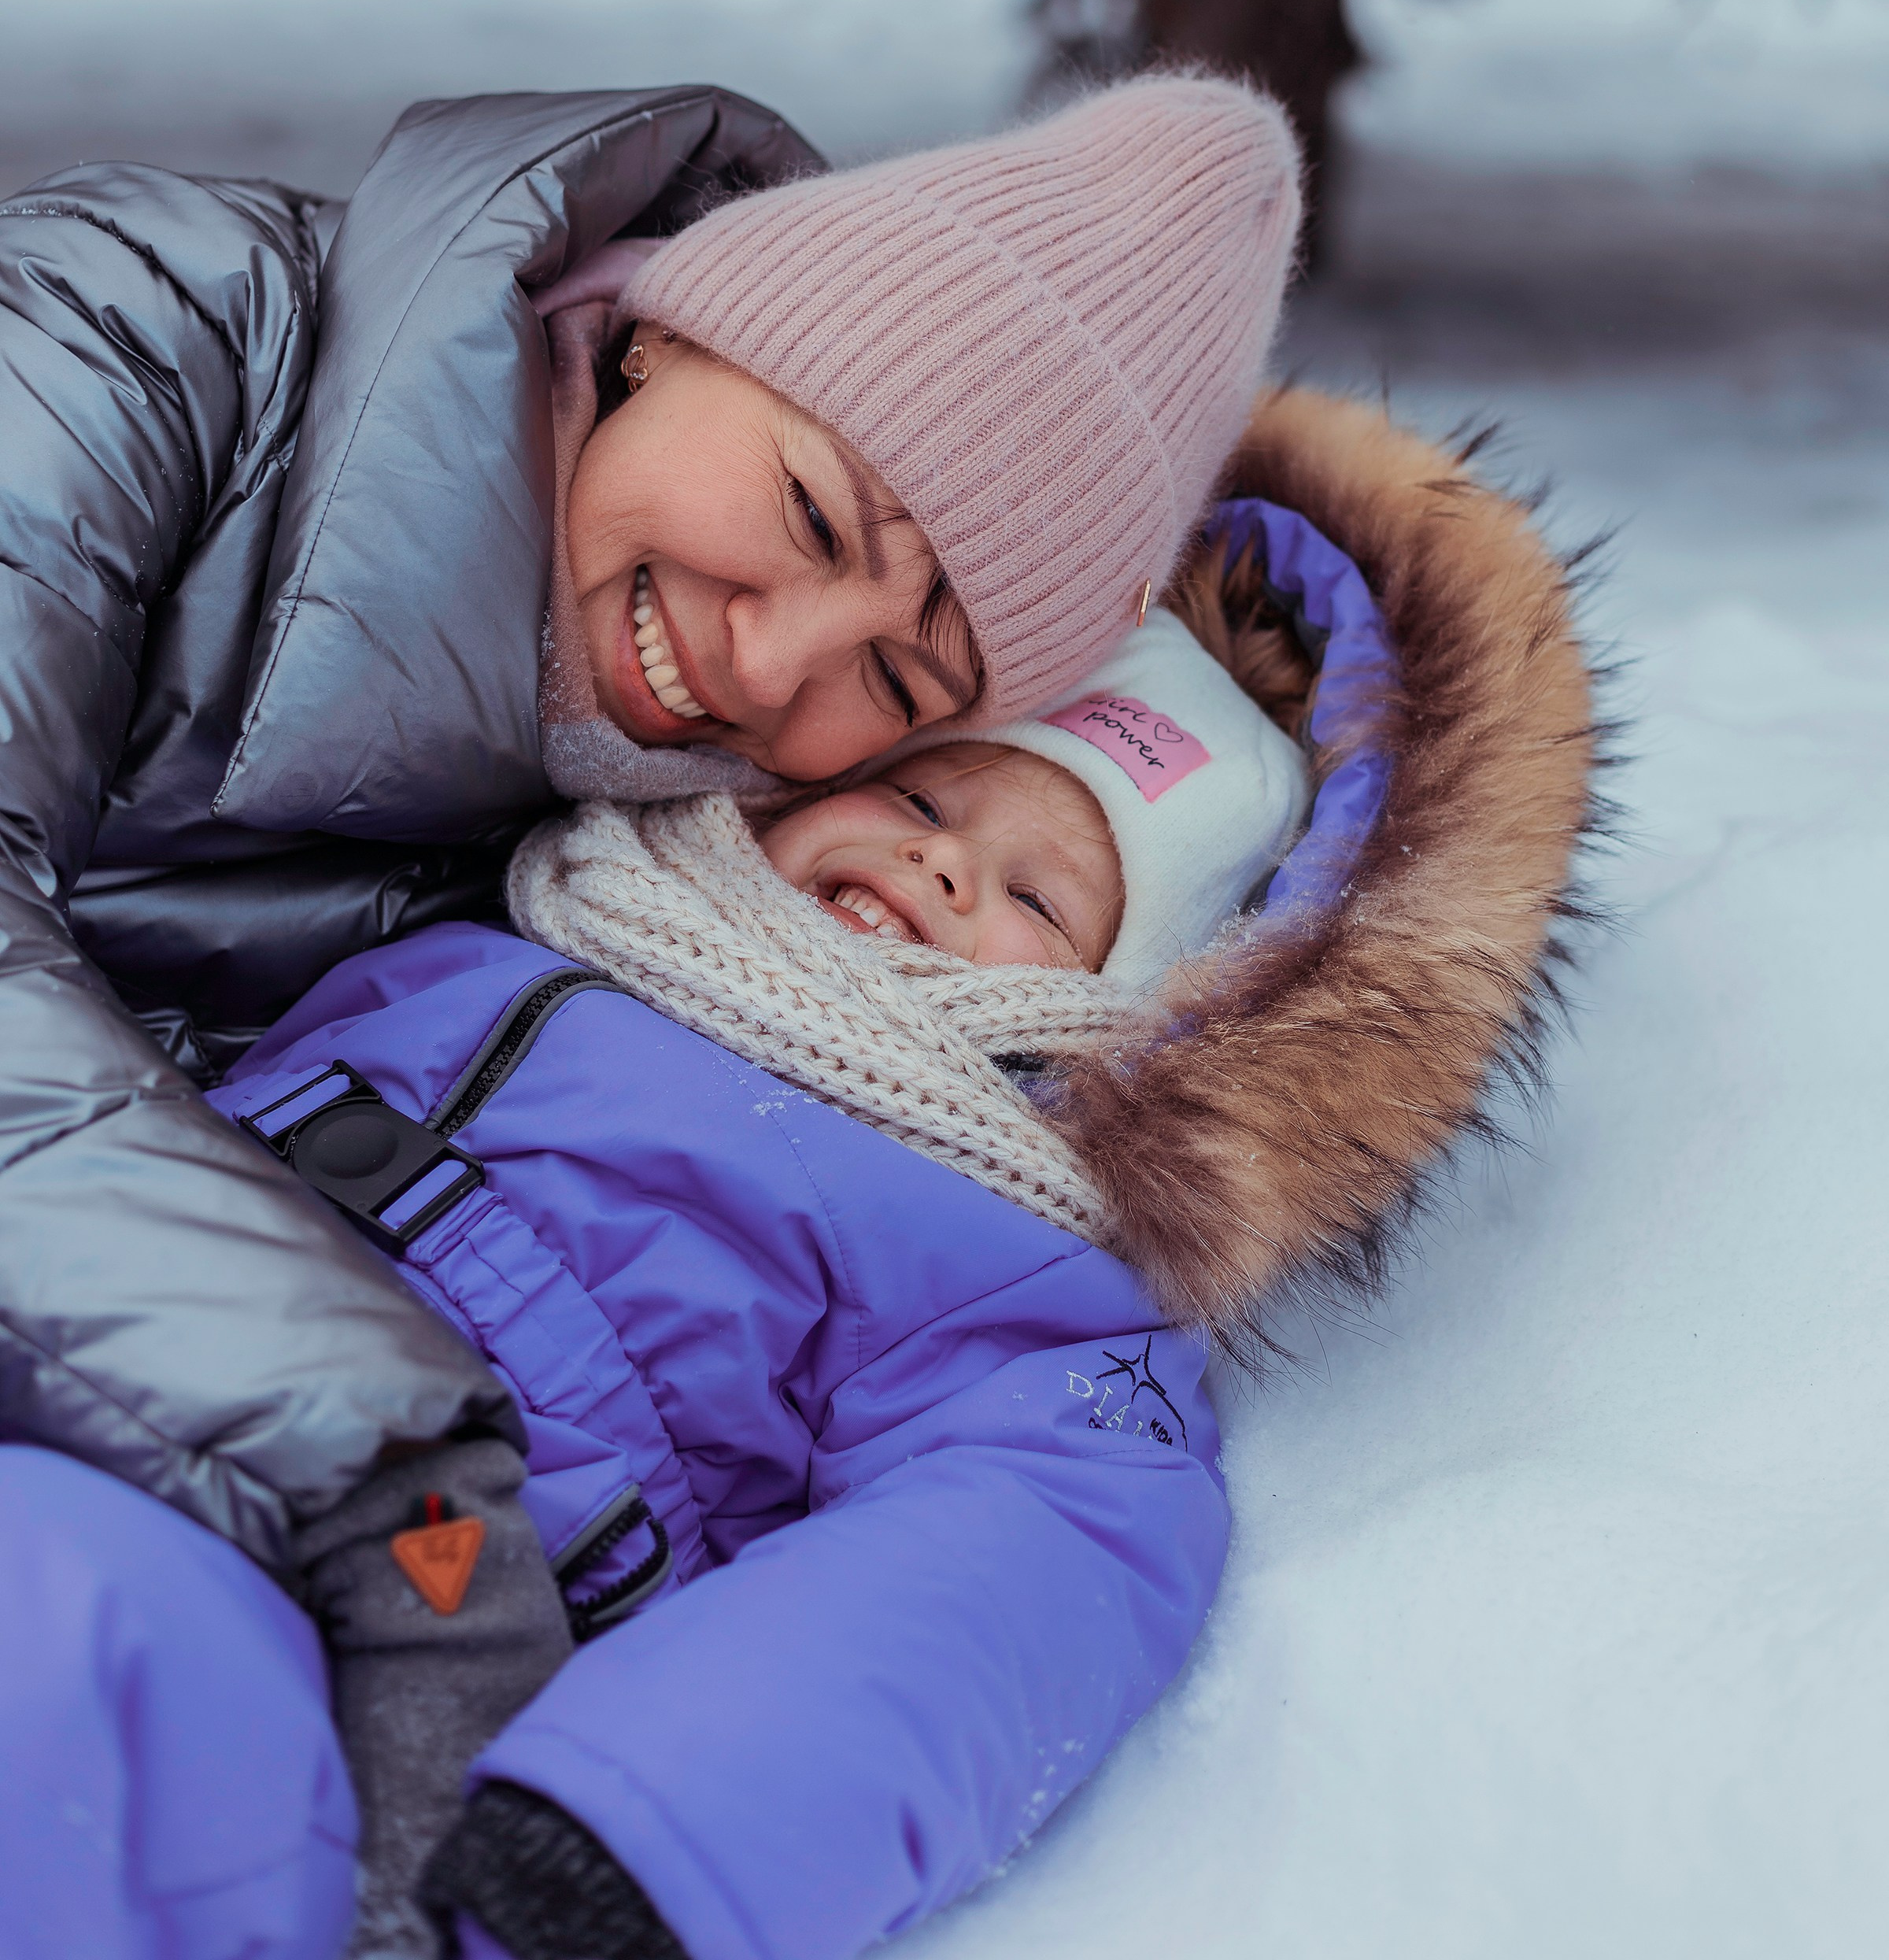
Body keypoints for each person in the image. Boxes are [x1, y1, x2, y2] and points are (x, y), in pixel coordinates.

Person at [0, 72, 1301, 1881]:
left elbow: (1031, 1531)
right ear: (663, 329)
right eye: (815, 516)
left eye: (899, 686)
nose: (770, 669)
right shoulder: (142, 337)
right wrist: (374, 1469)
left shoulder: (605, 845)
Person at [0, 583, 1315, 1960]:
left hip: (397, 1578)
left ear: (1121, 1014)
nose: (940, 865)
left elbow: (1030, 1551)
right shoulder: (547, 910)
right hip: (105, 1321)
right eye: (922, 801)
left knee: (63, 1635)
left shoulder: (1013, 1248)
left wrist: (627, 1838)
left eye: (1037, 897)